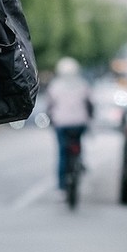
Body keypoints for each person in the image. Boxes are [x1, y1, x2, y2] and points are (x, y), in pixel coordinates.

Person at [46, 57, 92, 189]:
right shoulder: (82, 84)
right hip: (79, 123)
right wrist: (89, 118)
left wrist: (51, 119)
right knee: (77, 143)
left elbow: (50, 106)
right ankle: (79, 162)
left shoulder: (55, 86)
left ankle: (61, 185)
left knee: (62, 153)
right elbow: (89, 104)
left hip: (61, 124)